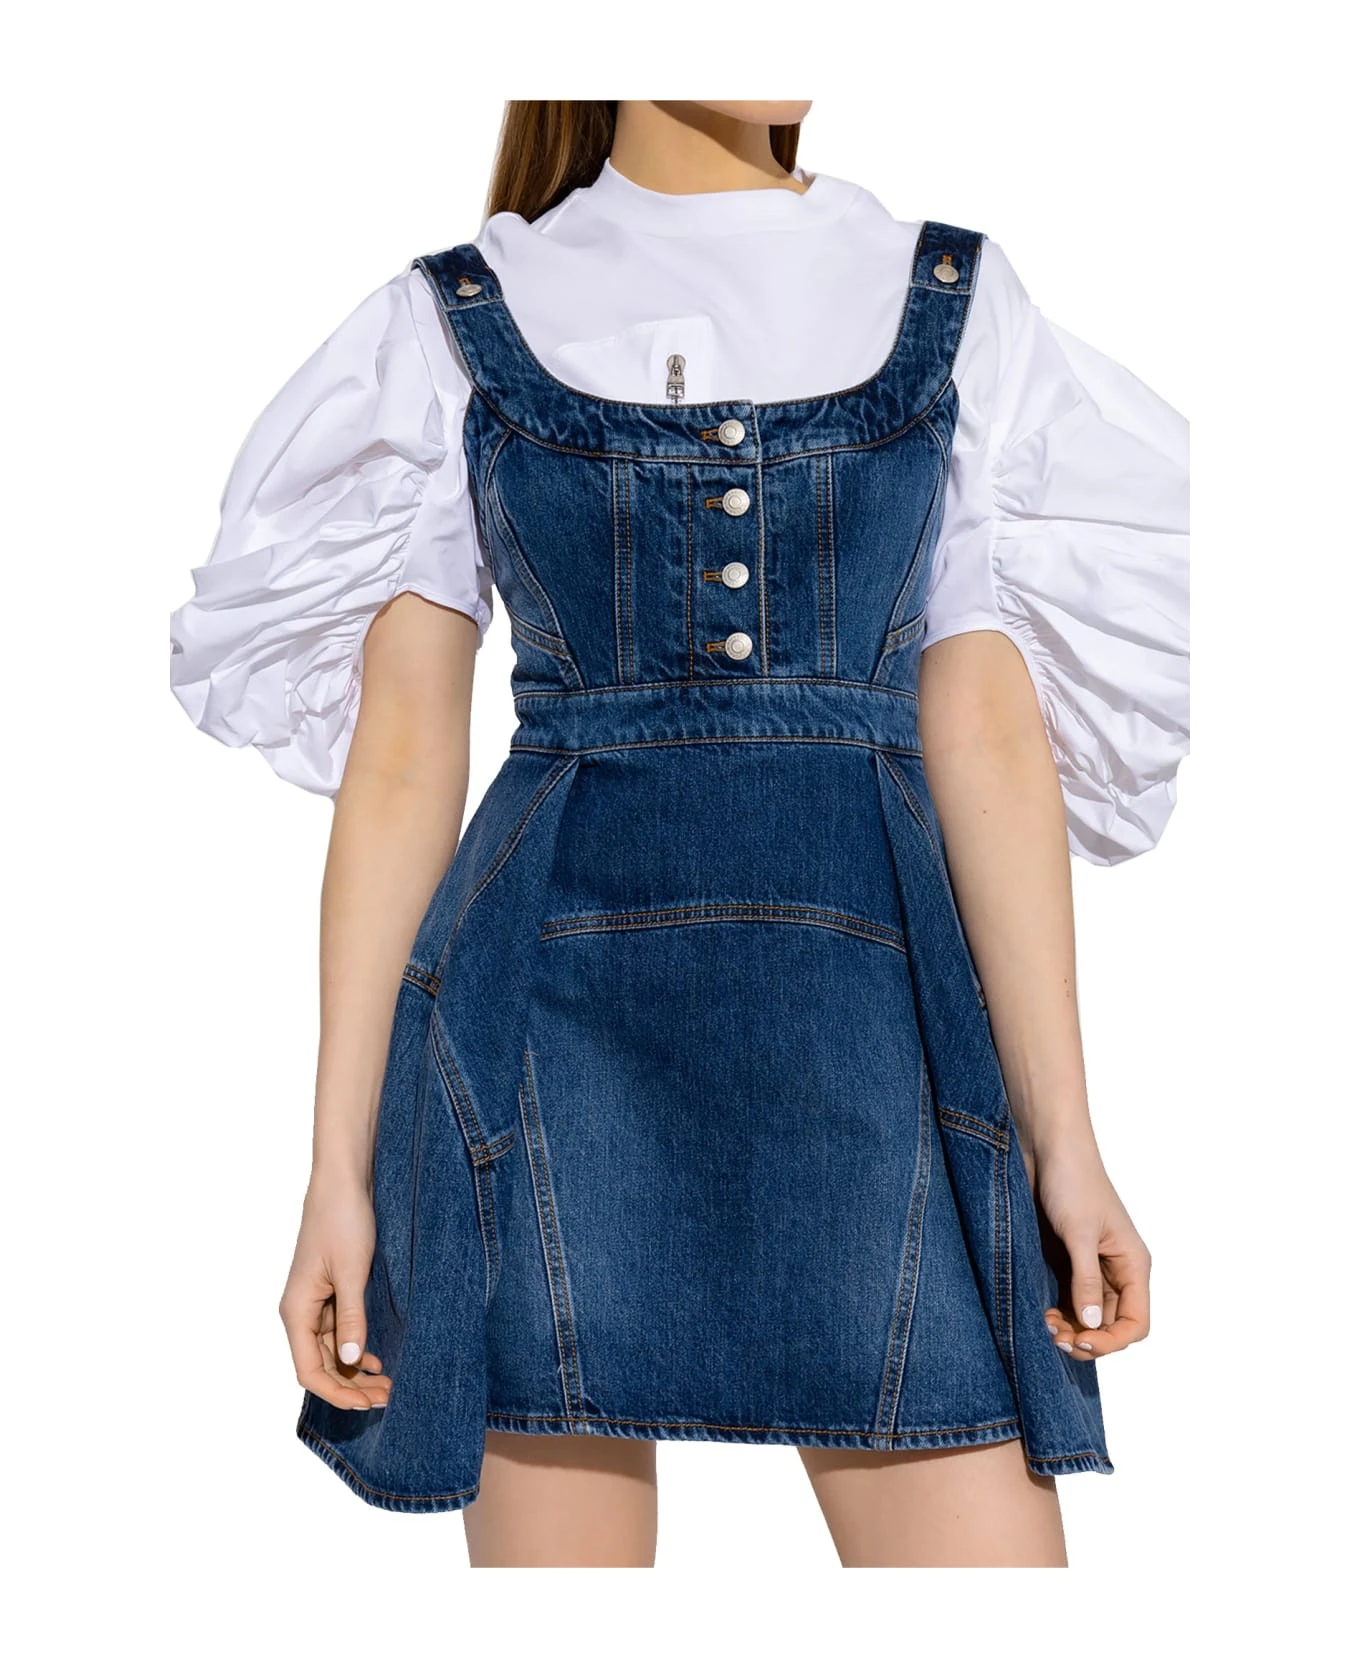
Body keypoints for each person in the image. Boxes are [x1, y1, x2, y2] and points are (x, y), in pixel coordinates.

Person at [168, 100, 1189, 1567]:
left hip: (879, 1032)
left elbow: (989, 735)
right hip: (545, 1031)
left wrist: (1066, 1143)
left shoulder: (953, 294)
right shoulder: (452, 317)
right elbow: (399, 767)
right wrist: (337, 1170)